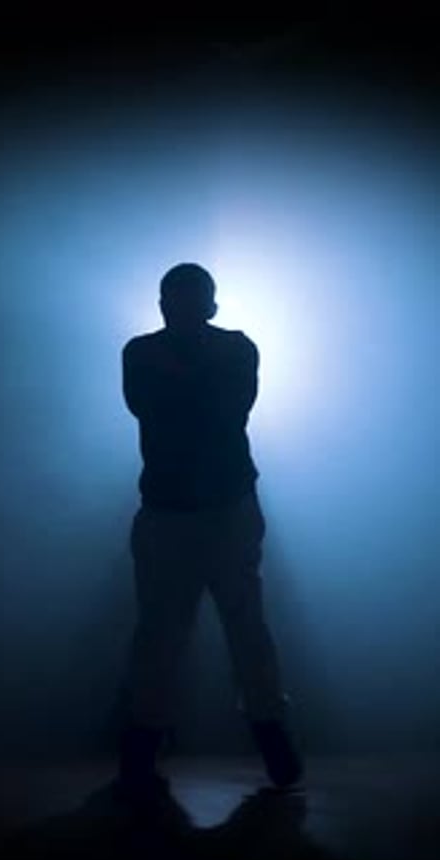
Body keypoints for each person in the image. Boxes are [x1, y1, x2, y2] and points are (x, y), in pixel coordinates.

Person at [117, 263, 303, 797]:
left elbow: (174, 409)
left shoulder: (144, 354)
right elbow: (220, 410)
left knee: (164, 633)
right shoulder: (232, 350)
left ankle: (144, 745)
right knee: (240, 627)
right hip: (211, 509)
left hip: (184, 511)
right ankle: (270, 736)